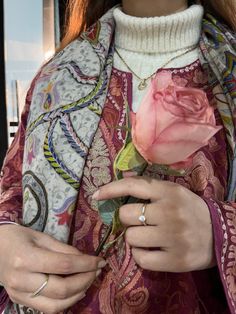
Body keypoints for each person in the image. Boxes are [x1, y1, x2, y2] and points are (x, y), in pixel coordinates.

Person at [0, 0, 236, 313]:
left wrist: (223, 232)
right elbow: (12, 188)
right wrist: (4, 244)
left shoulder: (227, 78)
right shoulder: (55, 79)